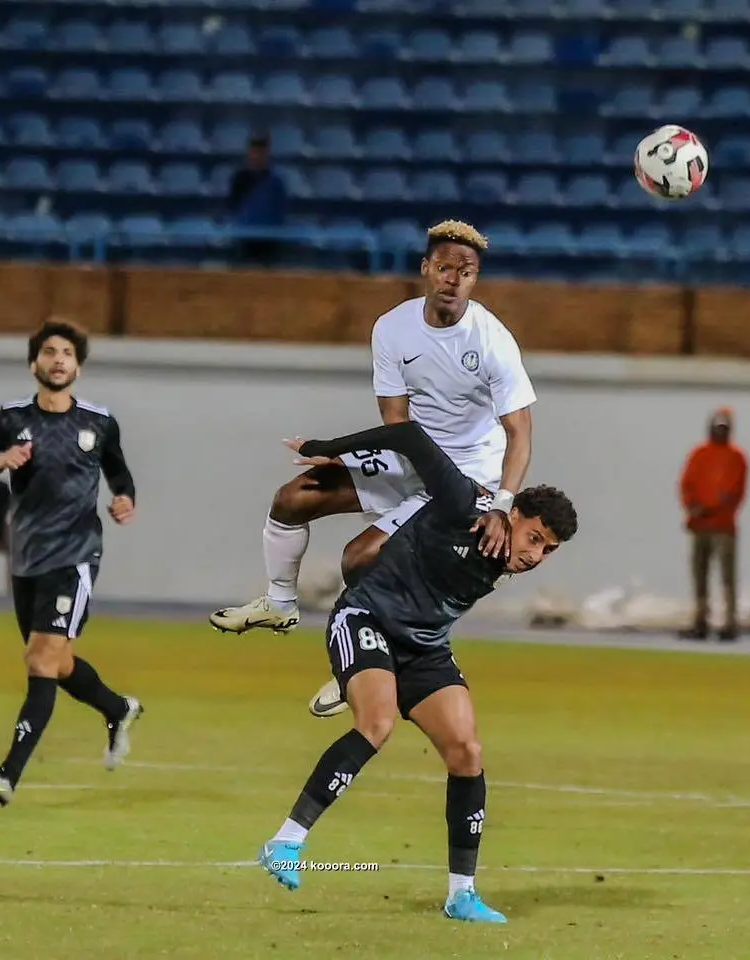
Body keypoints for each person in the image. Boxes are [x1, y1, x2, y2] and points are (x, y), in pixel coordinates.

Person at [209, 220, 536, 720]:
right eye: (444, 267)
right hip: (412, 458)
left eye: (465, 272)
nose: (453, 279)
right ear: (426, 269)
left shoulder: (492, 340)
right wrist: (353, 458)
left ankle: (369, 665)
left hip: (465, 481)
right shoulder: (392, 327)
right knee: (292, 498)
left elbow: (520, 433)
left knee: (359, 560)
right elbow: (397, 424)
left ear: (475, 280)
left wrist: (503, 505)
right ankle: (280, 603)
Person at [254, 419, 577, 924]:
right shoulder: (462, 504)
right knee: (377, 724)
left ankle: (461, 895)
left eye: (548, 550)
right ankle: (286, 841)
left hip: (424, 647)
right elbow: (407, 437)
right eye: (533, 537)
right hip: (366, 619)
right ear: (511, 514)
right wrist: (325, 449)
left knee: (467, 751)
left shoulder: (505, 549)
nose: (535, 555)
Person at [0, 320, 143, 806]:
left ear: (78, 365)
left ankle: (8, 776)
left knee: (39, 659)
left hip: (75, 557)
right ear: (33, 362)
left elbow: (120, 475)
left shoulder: (99, 423)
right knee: (57, 663)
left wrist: (124, 501)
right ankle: (118, 708)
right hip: (27, 558)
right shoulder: (11, 420)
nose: (59, 359)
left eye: (68, 353)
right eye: (50, 351)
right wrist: (0, 460)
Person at [677, 407, 750, 642]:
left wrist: (712, 507)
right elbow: (686, 484)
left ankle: (729, 622)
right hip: (699, 524)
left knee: (727, 577)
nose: (720, 431)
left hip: (723, 525)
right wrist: (693, 506)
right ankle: (701, 619)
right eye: (717, 427)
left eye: (724, 427)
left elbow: (734, 492)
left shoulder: (737, 457)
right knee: (700, 575)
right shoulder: (699, 454)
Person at [226, 132, 289, 266]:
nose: (256, 156)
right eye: (254, 152)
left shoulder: (276, 182)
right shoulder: (239, 178)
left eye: (261, 152)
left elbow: (279, 211)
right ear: (249, 153)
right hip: (244, 239)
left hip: (269, 241)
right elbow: (233, 206)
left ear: (267, 154)